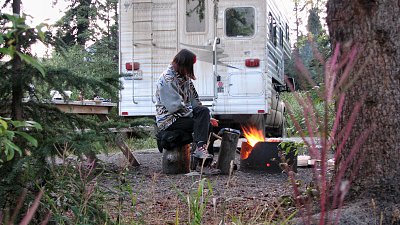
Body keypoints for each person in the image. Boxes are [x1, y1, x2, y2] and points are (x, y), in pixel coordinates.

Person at [155, 49, 218, 159]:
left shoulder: (186, 79)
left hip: (183, 116)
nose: (190, 70)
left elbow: (196, 102)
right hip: (169, 119)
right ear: (183, 64)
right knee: (204, 125)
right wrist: (200, 119)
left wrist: (208, 117)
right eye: (189, 66)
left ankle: (203, 155)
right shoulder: (167, 79)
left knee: (204, 112)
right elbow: (174, 108)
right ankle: (202, 155)